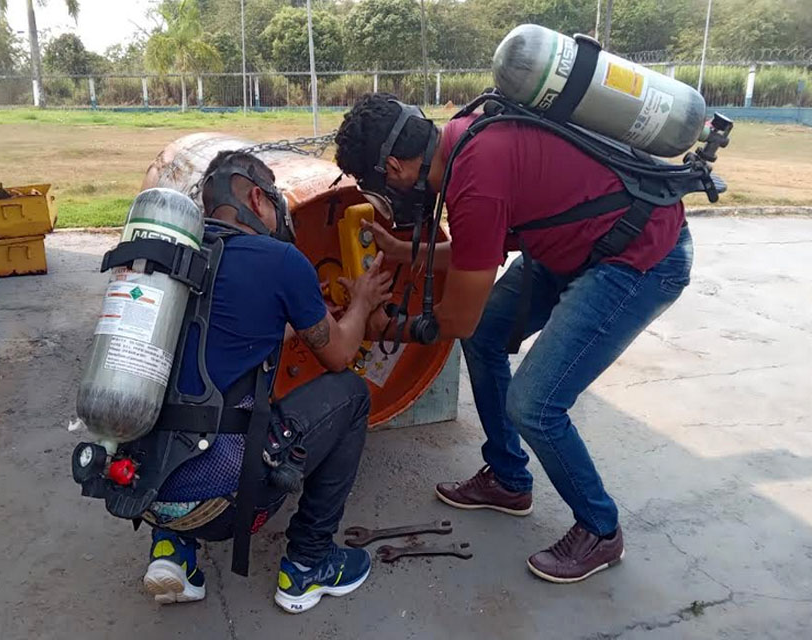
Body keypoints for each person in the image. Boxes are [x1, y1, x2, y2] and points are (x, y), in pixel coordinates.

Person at [335, 93, 694, 584]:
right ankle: (508, 479)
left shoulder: (474, 177)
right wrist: (403, 250)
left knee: (535, 405)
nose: (391, 190)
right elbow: (476, 252)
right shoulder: (463, 136)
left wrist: (383, 327)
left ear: (395, 166)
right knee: (486, 337)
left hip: (639, 256)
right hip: (581, 241)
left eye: (382, 183)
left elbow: (457, 317)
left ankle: (600, 529)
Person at [141, 150, 392, 612]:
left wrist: (301, 314)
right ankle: (307, 564)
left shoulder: (171, 259)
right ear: (257, 198)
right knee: (352, 395)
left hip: (143, 490)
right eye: (275, 199)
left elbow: (235, 331)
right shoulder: (280, 260)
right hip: (226, 502)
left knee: (179, 382)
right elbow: (337, 355)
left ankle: (172, 550)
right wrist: (360, 303)